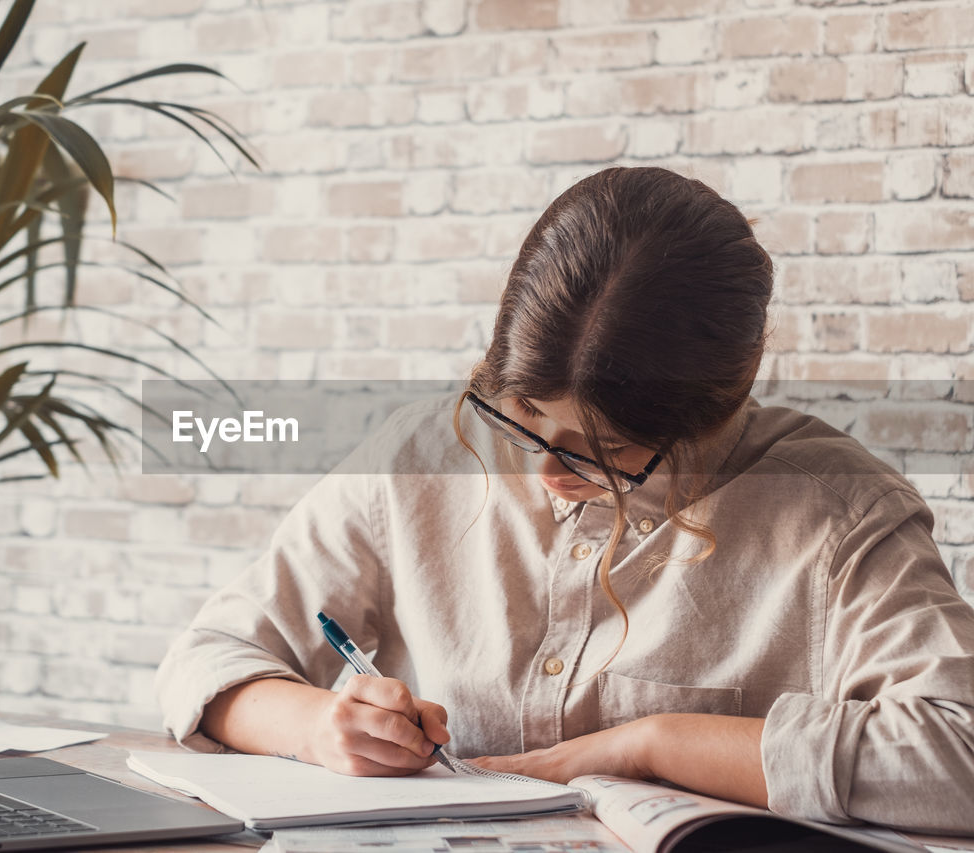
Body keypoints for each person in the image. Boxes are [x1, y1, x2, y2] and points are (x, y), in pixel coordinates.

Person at [154, 166, 974, 835]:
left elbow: (958, 758)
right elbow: (207, 657)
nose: (549, 472)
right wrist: (319, 727)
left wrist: (653, 743)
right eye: (522, 418)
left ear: (717, 409)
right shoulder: (422, 456)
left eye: (610, 451)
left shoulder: (835, 509)